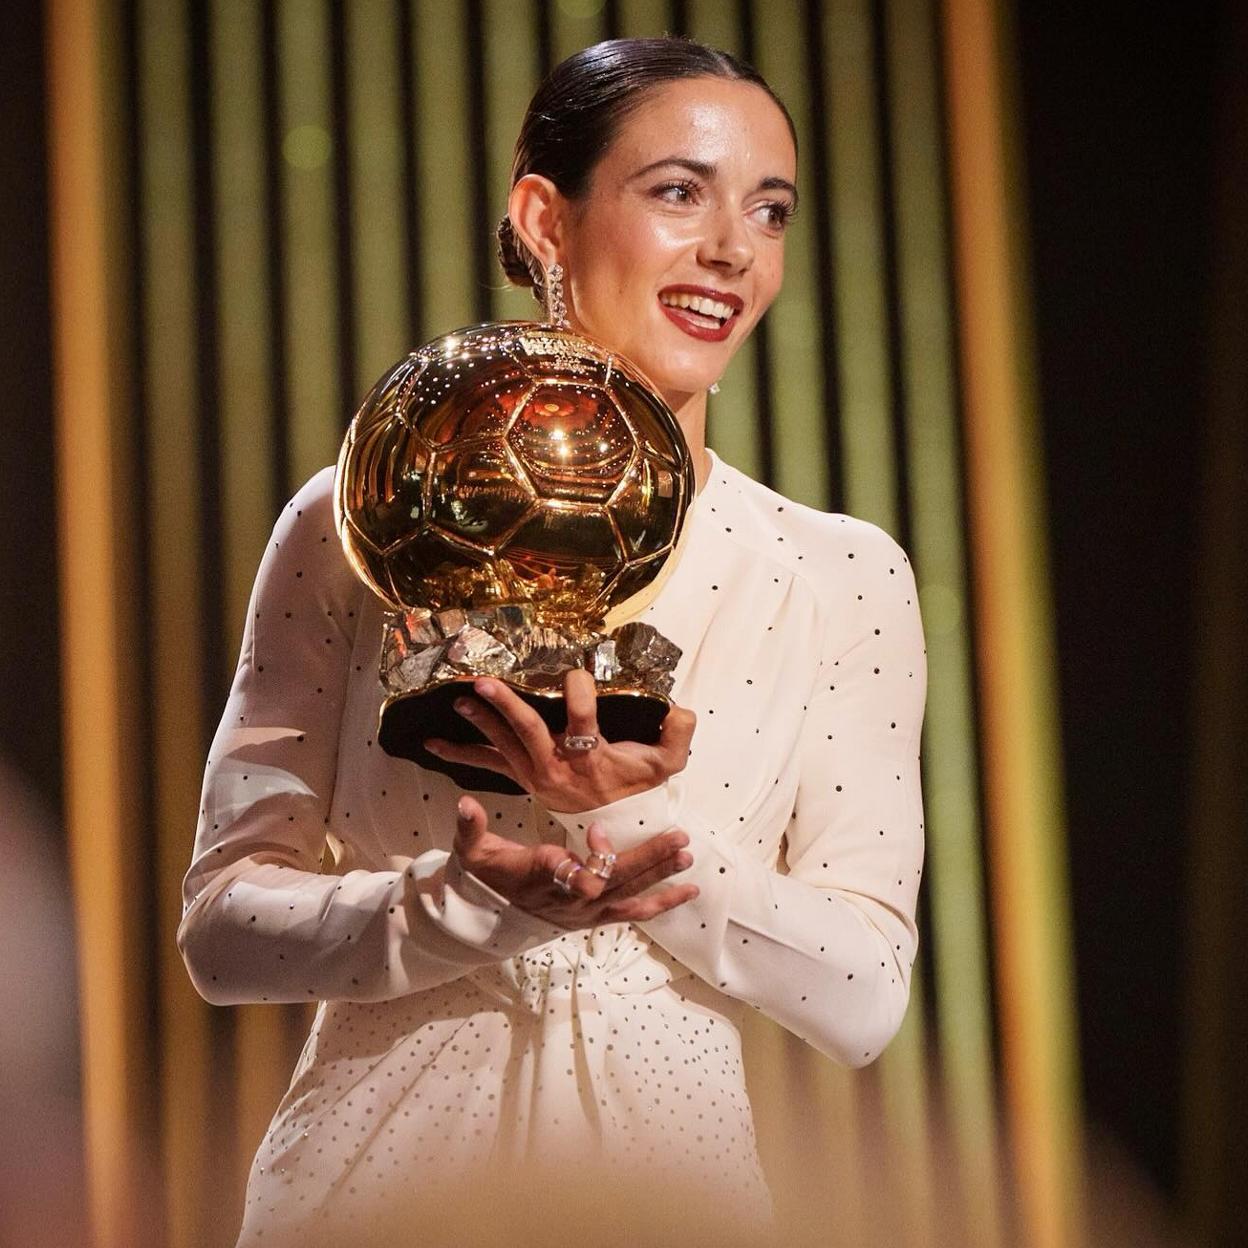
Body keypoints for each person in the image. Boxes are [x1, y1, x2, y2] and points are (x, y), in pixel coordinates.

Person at [178, 35, 927, 1248]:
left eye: (770, 210)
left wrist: (618, 827)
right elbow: (222, 930)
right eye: (679, 191)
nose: (733, 249)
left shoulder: (838, 574)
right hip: (374, 1187)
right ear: (543, 217)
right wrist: (458, 906)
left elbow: (862, 998)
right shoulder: (359, 519)